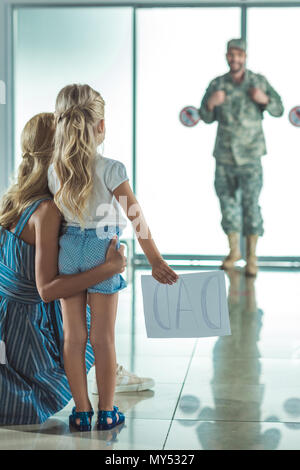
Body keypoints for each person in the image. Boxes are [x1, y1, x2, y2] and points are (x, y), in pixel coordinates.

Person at [48, 84, 179, 431]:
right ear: (101, 126)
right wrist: (155, 260)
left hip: (68, 250)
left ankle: (80, 412)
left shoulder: (53, 171)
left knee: (73, 338)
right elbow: (136, 218)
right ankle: (107, 411)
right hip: (102, 249)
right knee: (102, 338)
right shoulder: (111, 168)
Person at [0, 113, 127, 425]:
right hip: (24, 336)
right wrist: (111, 266)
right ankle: (106, 381)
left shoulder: (12, 199)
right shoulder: (47, 210)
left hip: (6, 316)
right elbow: (47, 290)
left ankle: (99, 385)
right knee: (91, 327)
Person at [199, 38, 284, 276]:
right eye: (231, 55)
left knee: (250, 206)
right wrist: (210, 104)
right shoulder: (217, 84)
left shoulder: (258, 82)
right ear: (226, 56)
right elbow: (204, 116)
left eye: (239, 55)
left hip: (250, 156)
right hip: (225, 156)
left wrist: (263, 99)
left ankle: (252, 258)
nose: (234, 59)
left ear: (245, 56)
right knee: (227, 204)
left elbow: (279, 108)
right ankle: (234, 252)